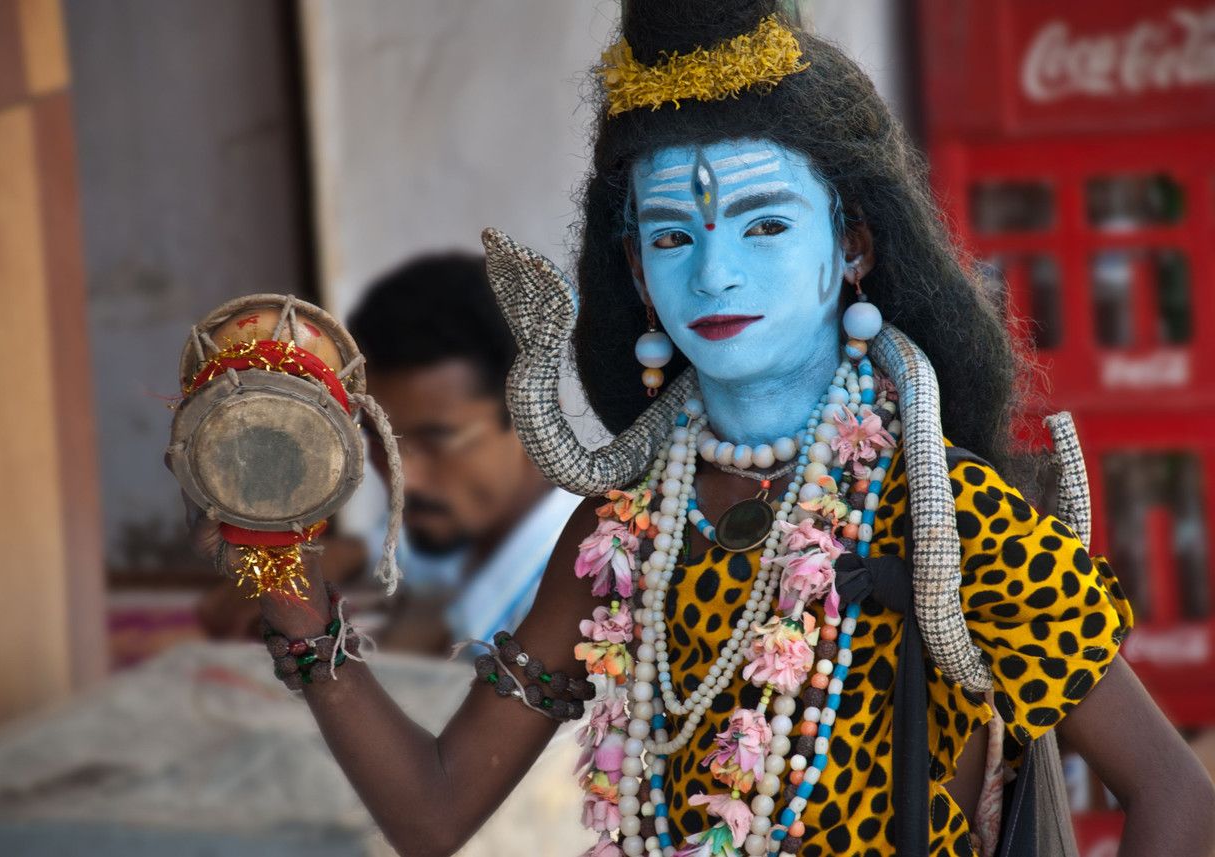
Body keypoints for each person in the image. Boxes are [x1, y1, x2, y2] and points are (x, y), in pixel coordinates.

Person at [188, 3, 1215, 856]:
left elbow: (1175, 796)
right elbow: (433, 809)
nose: (714, 274)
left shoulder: (944, 513)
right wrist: (287, 587)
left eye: (764, 224)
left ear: (850, 243)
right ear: (634, 269)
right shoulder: (618, 527)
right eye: (672, 234)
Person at [346, 253, 583, 652]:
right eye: (378, 439)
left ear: (537, 417)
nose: (406, 479)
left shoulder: (590, 614)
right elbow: (398, 547)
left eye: (437, 440)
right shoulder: (455, 533)